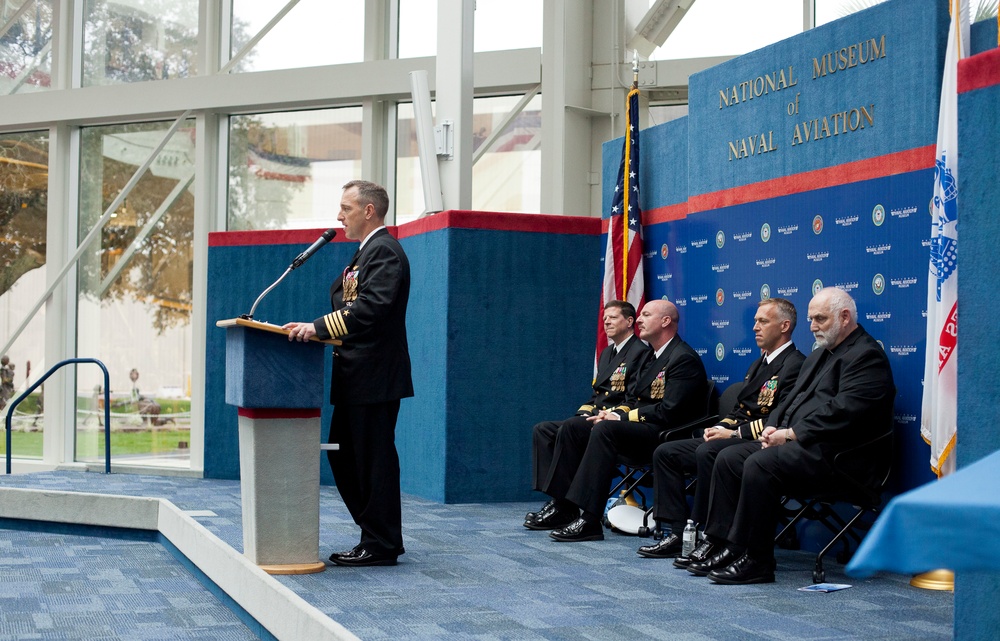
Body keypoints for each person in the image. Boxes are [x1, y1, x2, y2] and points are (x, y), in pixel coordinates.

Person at [689, 287, 895, 584]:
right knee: (730, 456)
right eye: (811, 319)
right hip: (810, 449)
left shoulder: (866, 356)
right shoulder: (819, 355)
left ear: (845, 316)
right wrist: (773, 428)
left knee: (761, 464)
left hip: (843, 459)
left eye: (820, 319)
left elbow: (846, 411)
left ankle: (757, 560)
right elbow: (788, 402)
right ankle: (727, 544)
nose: (812, 326)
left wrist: (792, 433)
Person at [283, 180, 413, 568]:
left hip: (374, 377)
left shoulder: (385, 252)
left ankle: (381, 541)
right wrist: (317, 328)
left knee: (372, 461)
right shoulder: (366, 253)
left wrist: (318, 327)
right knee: (349, 457)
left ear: (369, 210)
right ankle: (376, 535)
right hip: (358, 376)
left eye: (346, 208)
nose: (339, 216)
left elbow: (372, 308)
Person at [635, 298, 805, 561]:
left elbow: (780, 418)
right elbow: (740, 409)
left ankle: (710, 535)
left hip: (764, 441)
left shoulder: (796, 365)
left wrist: (735, 434)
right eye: (755, 321)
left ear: (784, 326)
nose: (755, 328)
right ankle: (677, 532)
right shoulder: (759, 363)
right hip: (733, 436)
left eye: (763, 321)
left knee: (710, 451)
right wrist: (719, 426)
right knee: (666, 452)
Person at [547, 299, 708, 542]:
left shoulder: (682, 358)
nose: (639, 319)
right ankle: (563, 507)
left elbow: (670, 411)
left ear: (665, 321)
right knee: (578, 427)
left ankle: (590, 519)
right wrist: (613, 413)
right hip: (640, 427)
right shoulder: (652, 356)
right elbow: (633, 398)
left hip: (665, 433)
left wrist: (622, 418)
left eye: (646, 314)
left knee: (605, 431)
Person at [524, 300, 652, 530]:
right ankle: (560, 500)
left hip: (616, 424)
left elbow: (634, 400)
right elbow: (598, 395)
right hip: (596, 417)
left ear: (630, 321)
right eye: (605, 318)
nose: (606, 321)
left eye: (613, 317)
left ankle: (564, 506)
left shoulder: (641, 353)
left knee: (571, 427)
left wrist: (607, 415)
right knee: (543, 430)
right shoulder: (606, 353)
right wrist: (585, 413)